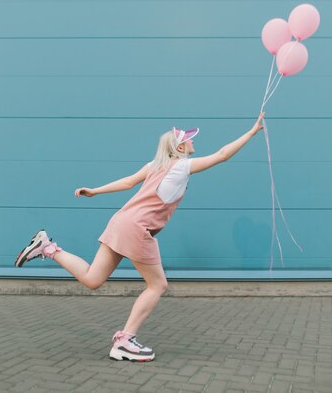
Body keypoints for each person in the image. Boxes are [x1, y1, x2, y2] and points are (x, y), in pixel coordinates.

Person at [14, 111, 265, 362]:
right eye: (189, 139)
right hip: (136, 229)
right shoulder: (182, 166)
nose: (193, 142)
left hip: (121, 221)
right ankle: (124, 340)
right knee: (158, 285)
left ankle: (47, 247)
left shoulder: (154, 166)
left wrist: (95, 191)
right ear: (179, 146)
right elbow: (222, 155)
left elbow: (127, 183)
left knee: (93, 279)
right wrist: (252, 132)